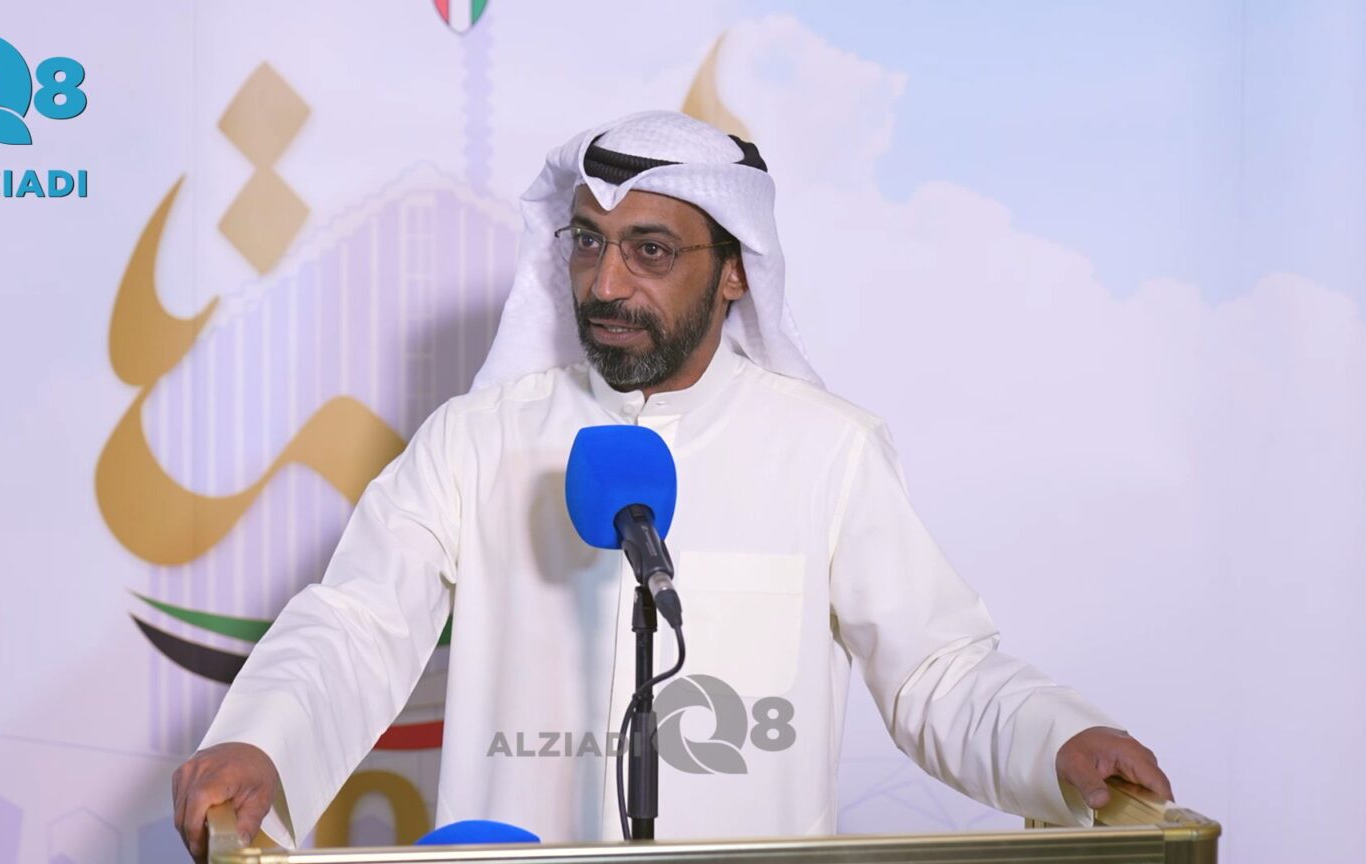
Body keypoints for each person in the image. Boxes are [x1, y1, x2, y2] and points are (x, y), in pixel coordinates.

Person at [172, 111, 1172, 860]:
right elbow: (356, 625)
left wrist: (1059, 739)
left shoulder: (826, 452)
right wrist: (262, 744)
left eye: (649, 251)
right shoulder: (477, 441)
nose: (607, 284)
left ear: (735, 271)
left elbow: (935, 670)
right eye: (588, 242)